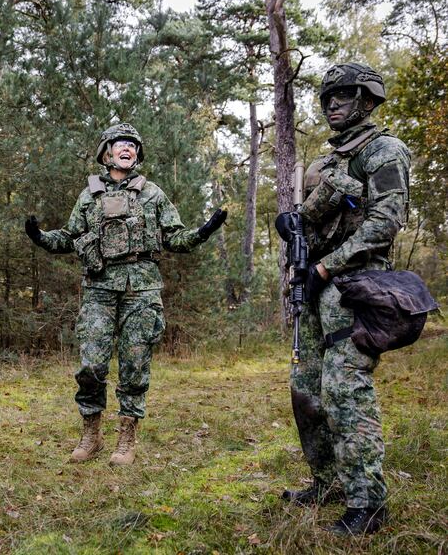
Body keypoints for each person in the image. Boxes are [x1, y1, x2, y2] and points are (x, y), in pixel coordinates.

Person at [25, 123, 227, 466]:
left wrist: (202, 232)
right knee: (91, 365)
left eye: (133, 145)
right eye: (121, 144)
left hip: (141, 288)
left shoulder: (153, 194)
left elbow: (175, 238)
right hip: (99, 288)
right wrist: (40, 237)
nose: (128, 149)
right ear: (107, 151)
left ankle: (126, 440)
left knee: (135, 367)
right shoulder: (89, 195)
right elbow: (70, 237)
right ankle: (91, 436)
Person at [276, 63, 410, 535]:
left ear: (369, 98)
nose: (333, 103)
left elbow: (385, 222)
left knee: (345, 393)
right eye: (328, 96)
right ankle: (326, 482)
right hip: (313, 286)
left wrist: (327, 267)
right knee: (306, 390)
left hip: (354, 286)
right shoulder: (324, 162)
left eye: (345, 94)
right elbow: (313, 223)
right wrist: (294, 232)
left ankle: (368, 505)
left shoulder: (384, 150)